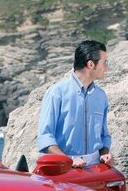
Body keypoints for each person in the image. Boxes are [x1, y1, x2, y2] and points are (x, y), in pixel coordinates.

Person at [37, 40, 114, 168]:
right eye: (104, 62)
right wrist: (68, 161)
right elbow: (45, 138)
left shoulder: (101, 96)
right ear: (90, 64)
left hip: (96, 169)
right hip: (63, 169)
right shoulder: (56, 93)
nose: (107, 67)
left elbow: (104, 136)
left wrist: (105, 154)